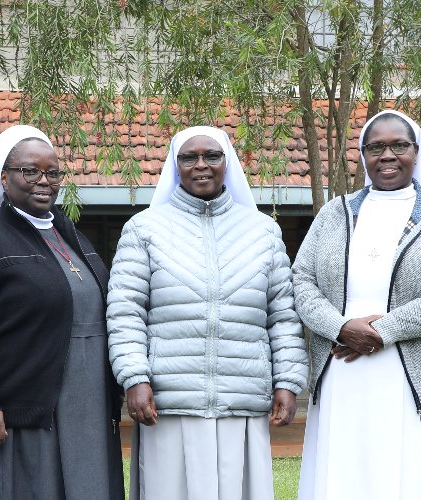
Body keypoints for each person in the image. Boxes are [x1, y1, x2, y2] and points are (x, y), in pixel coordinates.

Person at [107, 126, 308, 500]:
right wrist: (135, 378)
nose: (201, 165)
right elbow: (125, 312)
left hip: (241, 398)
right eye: (189, 157)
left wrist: (287, 381)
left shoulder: (263, 232)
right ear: (175, 165)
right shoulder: (144, 229)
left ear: (227, 163)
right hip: (169, 401)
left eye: (211, 156)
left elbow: (282, 315)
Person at [293, 110, 421, 500]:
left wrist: (383, 331)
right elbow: (302, 281)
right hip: (343, 370)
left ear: (417, 151)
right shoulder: (335, 213)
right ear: (362, 155)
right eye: (376, 147)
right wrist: (341, 328)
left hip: (416, 374)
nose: (388, 155)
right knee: (347, 473)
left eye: (399, 145)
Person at [0, 125, 123, 499]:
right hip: (25, 405)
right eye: (30, 171)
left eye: (52, 172)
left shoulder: (67, 231)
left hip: (87, 399)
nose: (44, 181)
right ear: (4, 178)